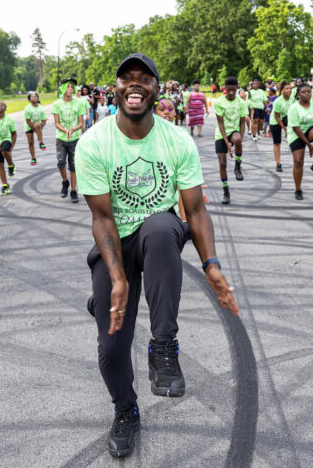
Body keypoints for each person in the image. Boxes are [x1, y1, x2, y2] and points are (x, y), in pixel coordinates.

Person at [75, 53, 238, 459]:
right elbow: (102, 217)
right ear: (115, 88)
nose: (135, 84)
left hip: (157, 238)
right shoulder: (94, 141)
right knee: (111, 347)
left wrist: (212, 266)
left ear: (157, 89)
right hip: (115, 241)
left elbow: (196, 211)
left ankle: (163, 346)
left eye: (144, 78)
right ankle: (126, 410)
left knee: (164, 225)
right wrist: (117, 280)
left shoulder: (176, 140)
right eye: (126, 78)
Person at [286, 84, 313, 200]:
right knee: (298, 162)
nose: (307, 94)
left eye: (309, 92)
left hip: (310, 130)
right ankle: (298, 189)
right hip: (296, 134)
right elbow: (296, 129)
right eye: (304, 92)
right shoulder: (294, 108)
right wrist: (308, 144)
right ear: (298, 94)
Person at [214, 77, 248, 205]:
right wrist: (227, 144)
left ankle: (238, 166)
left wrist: (240, 140)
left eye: (234, 90)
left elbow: (242, 123)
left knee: (237, 139)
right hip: (221, 133)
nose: (232, 92)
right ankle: (226, 192)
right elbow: (220, 124)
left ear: (237, 88)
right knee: (222, 163)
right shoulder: (219, 102)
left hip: (234, 130)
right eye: (229, 90)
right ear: (225, 88)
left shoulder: (241, 102)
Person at [52, 78, 84, 203]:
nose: (70, 89)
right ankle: (65, 182)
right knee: (60, 163)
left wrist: (73, 129)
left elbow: (81, 123)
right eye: (68, 86)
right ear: (63, 88)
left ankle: (73, 191)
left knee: (73, 166)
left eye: (72, 87)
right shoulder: (57, 104)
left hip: (74, 138)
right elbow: (56, 123)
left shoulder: (79, 103)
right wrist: (65, 131)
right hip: (61, 138)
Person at [268, 82, 293, 172]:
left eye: (290, 88)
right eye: (287, 88)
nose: (289, 90)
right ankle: (278, 163)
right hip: (275, 121)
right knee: (277, 143)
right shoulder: (278, 101)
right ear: (282, 90)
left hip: (286, 119)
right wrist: (285, 129)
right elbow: (277, 117)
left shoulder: (292, 99)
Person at [0, 101, 17, 196]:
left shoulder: (9, 120)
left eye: (2, 105)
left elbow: (14, 133)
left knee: (5, 151)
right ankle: (5, 185)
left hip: (6, 139)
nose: (0, 106)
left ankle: (11, 165)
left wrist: (12, 146)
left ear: (5, 108)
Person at [23, 92, 47, 165]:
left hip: (38, 125)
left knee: (37, 124)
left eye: (35, 97)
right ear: (29, 99)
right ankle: (33, 158)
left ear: (37, 98)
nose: (33, 98)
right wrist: (35, 129)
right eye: (32, 97)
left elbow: (44, 120)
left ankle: (41, 142)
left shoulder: (41, 108)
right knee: (30, 142)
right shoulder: (27, 108)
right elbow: (28, 121)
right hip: (29, 125)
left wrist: (39, 129)